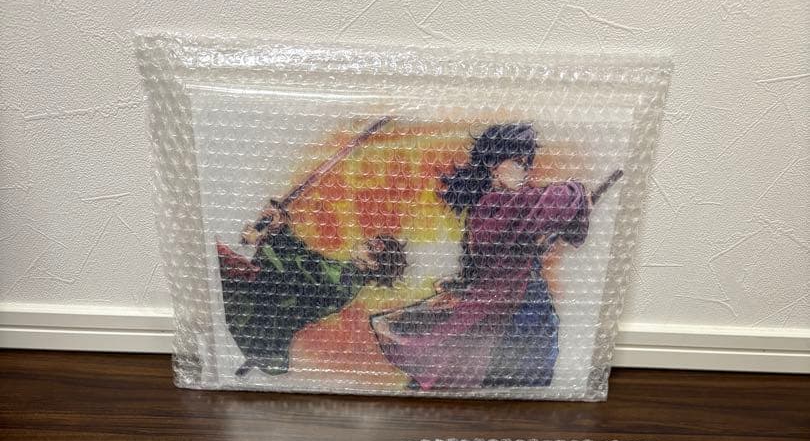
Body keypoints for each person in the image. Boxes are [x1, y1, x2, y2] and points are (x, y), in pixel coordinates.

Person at [372, 123, 591, 390]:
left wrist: (466, 281)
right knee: (513, 379)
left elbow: (484, 262)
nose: (525, 171)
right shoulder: (505, 204)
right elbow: (563, 198)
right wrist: (580, 194)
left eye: (527, 164)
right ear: (492, 164)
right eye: (518, 162)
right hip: (520, 314)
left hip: (517, 309)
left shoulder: (485, 207)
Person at [218, 201, 407, 377]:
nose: (364, 241)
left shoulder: (342, 280)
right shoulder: (345, 274)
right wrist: (280, 228)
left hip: (257, 325)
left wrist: (262, 240)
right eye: (370, 240)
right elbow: (304, 256)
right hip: (260, 321)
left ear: (373, 265)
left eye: (370, 247)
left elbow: (293, 269)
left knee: (219, 260)